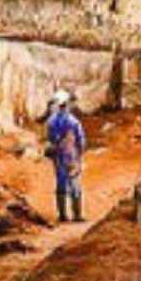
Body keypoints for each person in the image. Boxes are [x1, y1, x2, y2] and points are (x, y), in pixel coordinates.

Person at [45, 89, 86, 222]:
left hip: (58, 155)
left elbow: (50, 138)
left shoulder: (51, 121)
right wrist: (80, 152)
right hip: (71, 155)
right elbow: (81, 140)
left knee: (60, 183)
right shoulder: (73, 121)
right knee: (74, 183)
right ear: (67, 104)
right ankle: (77, 214)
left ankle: (62, 214)